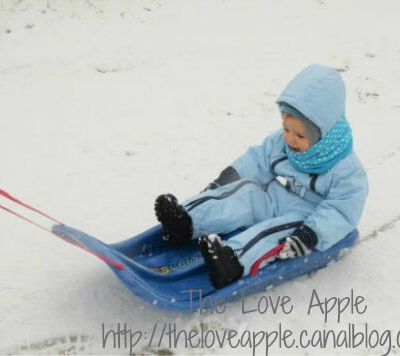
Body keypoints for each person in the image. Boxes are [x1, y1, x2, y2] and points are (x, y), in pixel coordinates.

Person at [154, 64, 368, 289]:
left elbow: (342, 210)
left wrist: (311, 234)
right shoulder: (282, 142)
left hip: (309, 214)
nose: (290, 139)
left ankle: (231, 262)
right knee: (245, 192)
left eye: (300, 135)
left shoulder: (347, 171)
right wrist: (223, 182)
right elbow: (256, 161)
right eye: (286, 129)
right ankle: (186, 221)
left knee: (272, 233)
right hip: (278, 196)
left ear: (323, 134)